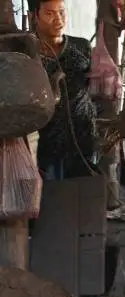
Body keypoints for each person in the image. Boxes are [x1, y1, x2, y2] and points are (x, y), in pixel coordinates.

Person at [30, 0, 98, 180]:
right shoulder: (29, 52)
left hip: (84, 135)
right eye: (49, 13)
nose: (58, 19)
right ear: (35, 16)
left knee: (85, 193)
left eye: (61, 12)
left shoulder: (82, 47)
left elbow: (93, 85)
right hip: (46, 141)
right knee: (52, 197)